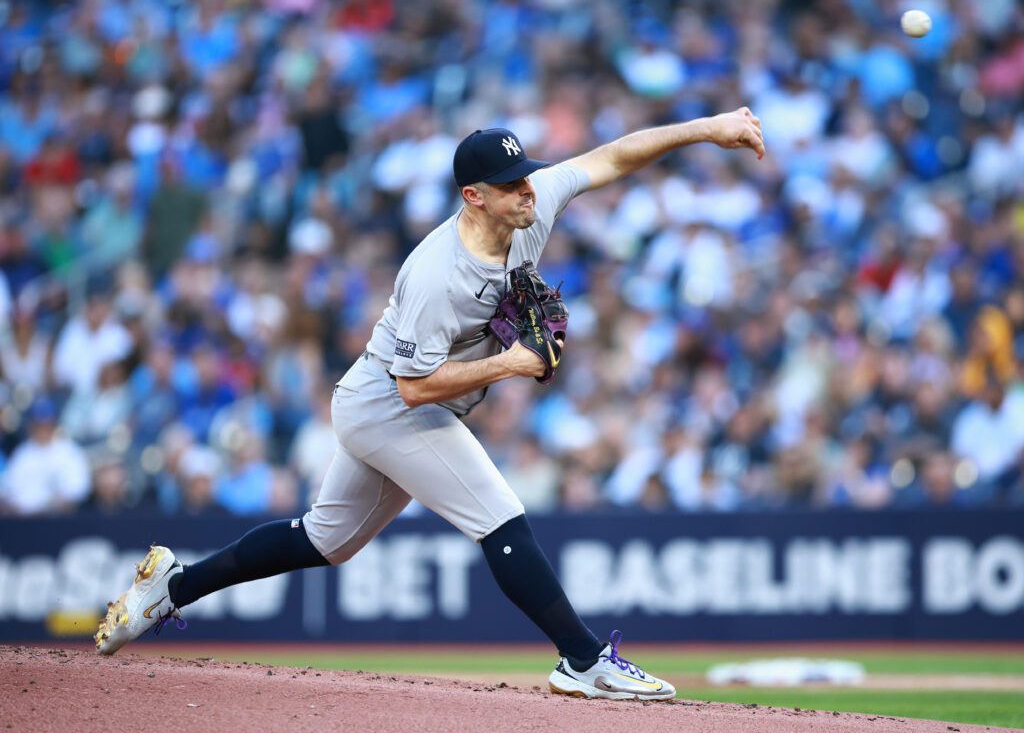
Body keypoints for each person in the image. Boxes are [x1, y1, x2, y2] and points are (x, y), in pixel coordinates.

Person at [96, 109, 765, 700]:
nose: (528, 188)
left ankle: (172, 587)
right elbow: (413, 388)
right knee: (500, 517)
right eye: (510, 184)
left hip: (390, 402)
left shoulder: (531, 208)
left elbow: (612, 155)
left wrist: (708, 129)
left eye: (527, 174)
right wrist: (511, 363)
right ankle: (584, 660)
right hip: (389, 405)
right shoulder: (436, 273)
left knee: (324, 541)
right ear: (473, 197)